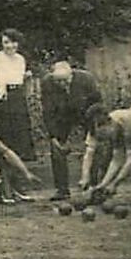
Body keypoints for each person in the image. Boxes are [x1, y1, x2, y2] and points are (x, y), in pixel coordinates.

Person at [42, 60, 103, 200]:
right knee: (56, 148)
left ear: (71, 74)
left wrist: (93, 132)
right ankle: (62, 190)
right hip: (62, 116)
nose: (62, 85)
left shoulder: (86, 79)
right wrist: (53, 136)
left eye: (65, 81)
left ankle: (93, 185)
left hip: (86, 113)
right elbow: (48, 111)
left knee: (94, 148)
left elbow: (97, 106)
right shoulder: (47, 82)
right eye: (58, 82)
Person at [0, 29, 36, 171]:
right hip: (2, 93)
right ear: (1, 43)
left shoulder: (21, 58)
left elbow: (20, 76)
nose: (10, 46)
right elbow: (1, 74)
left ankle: (22, 157)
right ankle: (3, 157)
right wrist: (2, 88)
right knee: (4, 125)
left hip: (17, 93)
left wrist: (26, 77)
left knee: (20, 123)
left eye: (13, 42)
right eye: (6, 42)